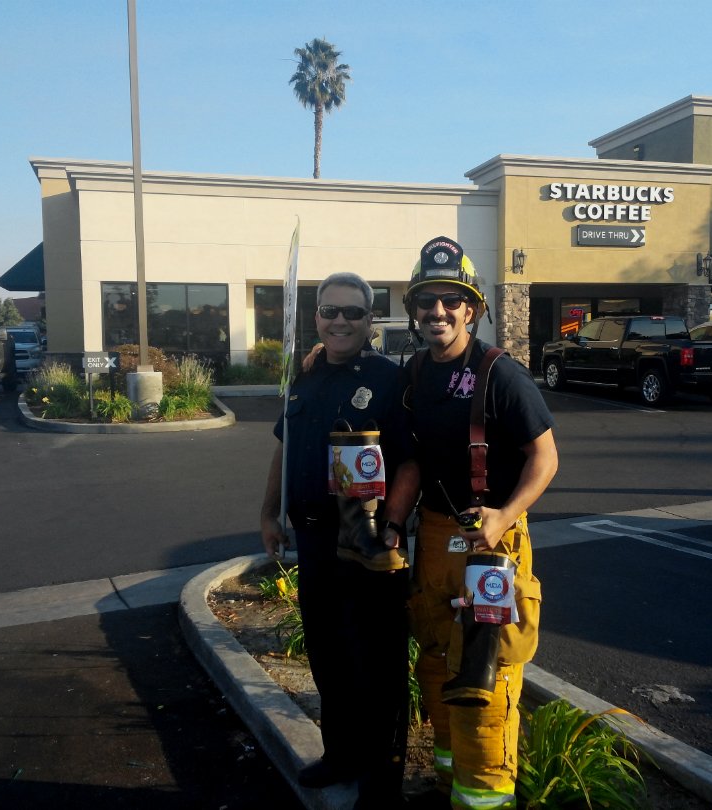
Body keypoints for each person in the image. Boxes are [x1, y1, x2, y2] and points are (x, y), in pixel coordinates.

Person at [403, 237, 558, 810]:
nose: (437, 311)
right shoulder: (414, 372)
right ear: (413, 310)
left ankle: (485, 800)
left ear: (472, 309)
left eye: (451, 300)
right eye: (426, 301)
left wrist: (503, 517)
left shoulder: (501, 375)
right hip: (436, 539)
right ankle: (449, 784)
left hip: (491, 546)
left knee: (484, 682)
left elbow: (546, 458)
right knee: (438, 669)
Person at [260, 271, 419, 809]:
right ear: (317, 317)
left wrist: (391, 528)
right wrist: (268, 512)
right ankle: (340, 755)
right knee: (328, 655)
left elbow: (411, 462)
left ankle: (380, 781)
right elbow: (285, 447)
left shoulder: (388, 379)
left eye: (352, 312)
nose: (340, 320)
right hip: (311, 541)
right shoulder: (302, 378)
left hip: (366, 546)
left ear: (371, 320)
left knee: (375, 664)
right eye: (331, 311)